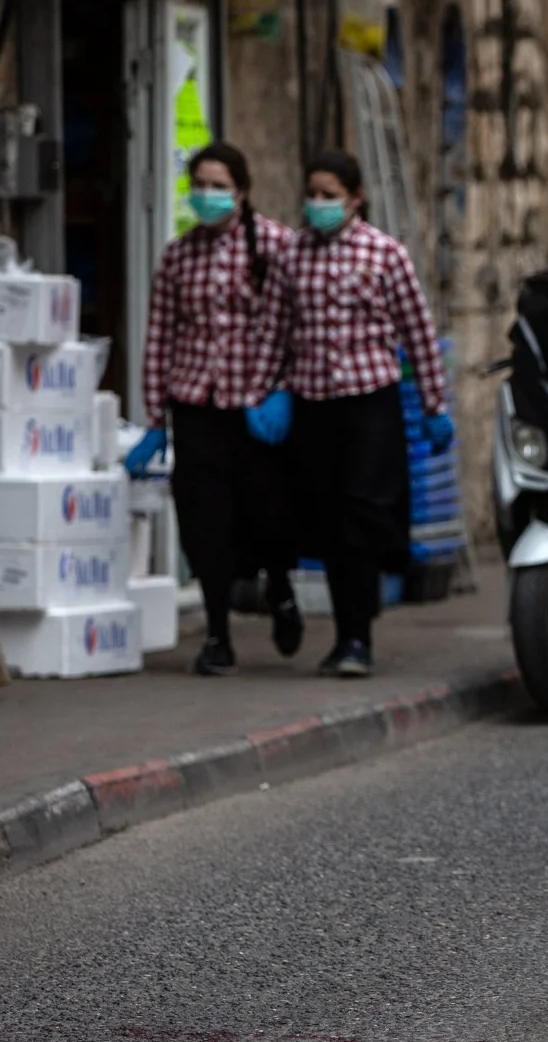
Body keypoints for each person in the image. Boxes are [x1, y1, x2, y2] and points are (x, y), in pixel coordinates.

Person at [256, 149, 452, 678]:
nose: (318, 205)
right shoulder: (292, 256)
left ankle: (356, 637)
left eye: (329, 196)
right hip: (313, 405)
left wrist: (434, 405)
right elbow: (273, 332)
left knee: (362, 515)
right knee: (323, 516)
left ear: (355, 199)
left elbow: (417, 333)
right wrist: (267, 391)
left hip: (370, 403)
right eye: (312, 195)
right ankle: (345, 626)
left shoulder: (384, 254)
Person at [129, 141, 302, 677]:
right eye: (198, 184)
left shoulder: (275, 246)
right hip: (196, 404)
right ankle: (217, 633)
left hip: (253, 406)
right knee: (204, 520)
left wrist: (285, 390)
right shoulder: (179, 255)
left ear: (242, 191)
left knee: (265, 514)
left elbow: (301, 325)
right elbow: (160, 334)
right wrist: (155, 417)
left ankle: (280, 586)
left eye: (218, 185)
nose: (206, 195)